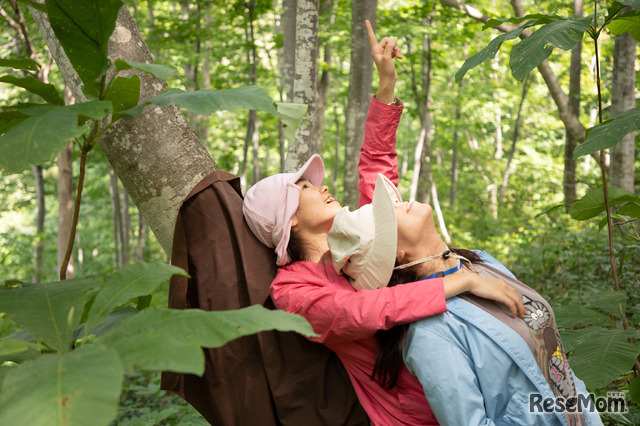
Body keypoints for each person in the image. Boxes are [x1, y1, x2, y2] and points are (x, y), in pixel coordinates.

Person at [242, 22, 526, 425]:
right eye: (305, 186)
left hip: (477, 372)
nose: (320, 188)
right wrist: (460, 282)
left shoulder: (355, 236)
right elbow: (357, 311)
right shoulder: (291, 289)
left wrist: (386, 86)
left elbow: (378, 175)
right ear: (287, 217)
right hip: (418, 412)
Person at [327, 173, 603, 426]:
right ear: (394, 253)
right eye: (389, 214)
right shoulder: (430, 333)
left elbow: (556, 362)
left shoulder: (482, 262)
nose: (400, 202)